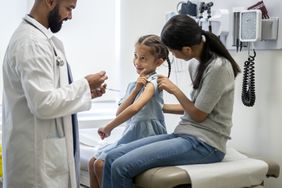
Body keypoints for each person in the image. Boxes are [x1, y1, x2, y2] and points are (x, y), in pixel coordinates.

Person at [100, 14, 241, 188]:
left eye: (173, 51)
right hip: (184, 134)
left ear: (187, 49)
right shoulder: (195, 64)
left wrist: (174, 90)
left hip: (206, 144)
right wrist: (160, 107)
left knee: (121, 167)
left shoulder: (219, 67)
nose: (171, 55)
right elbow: (194, 107)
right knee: (111, 157)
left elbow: (199, 115)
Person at [2, 0, 108, 188]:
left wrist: (86, 92)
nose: (70, 16)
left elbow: (48, 94)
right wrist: (84, 85)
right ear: (50, 1)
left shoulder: (39, 39)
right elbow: (43, 104)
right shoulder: (31, 43)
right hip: (36, 165)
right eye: (69, 8)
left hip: (44, 157)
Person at [88, 34, 171, 188]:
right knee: (92, 162)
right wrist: (135, 90)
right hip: (132, 134)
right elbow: (119, 112)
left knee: (100, 165)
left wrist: (109, 127)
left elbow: (135, 108)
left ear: (159, 62)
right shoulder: (134, 85)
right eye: (135, 56)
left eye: (143, 58)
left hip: (148, 136)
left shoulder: (154, 82)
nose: (137, 62)